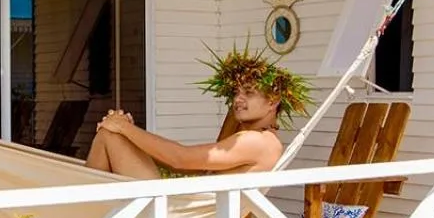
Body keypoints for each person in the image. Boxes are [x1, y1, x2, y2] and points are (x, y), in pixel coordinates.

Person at [84, 82, 284, 179]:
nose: (237, 99)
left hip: (173, 216)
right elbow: (183, 166)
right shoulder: (258, 139)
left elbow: (180, 158)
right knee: (112, 133)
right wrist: (129, 134)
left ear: (273, 101)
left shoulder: (257, 141)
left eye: (248, 93)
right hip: (177, 209)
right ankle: (86, 213)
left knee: (110, 133)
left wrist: (124, 127)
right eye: (236, 92)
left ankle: (83, 214)